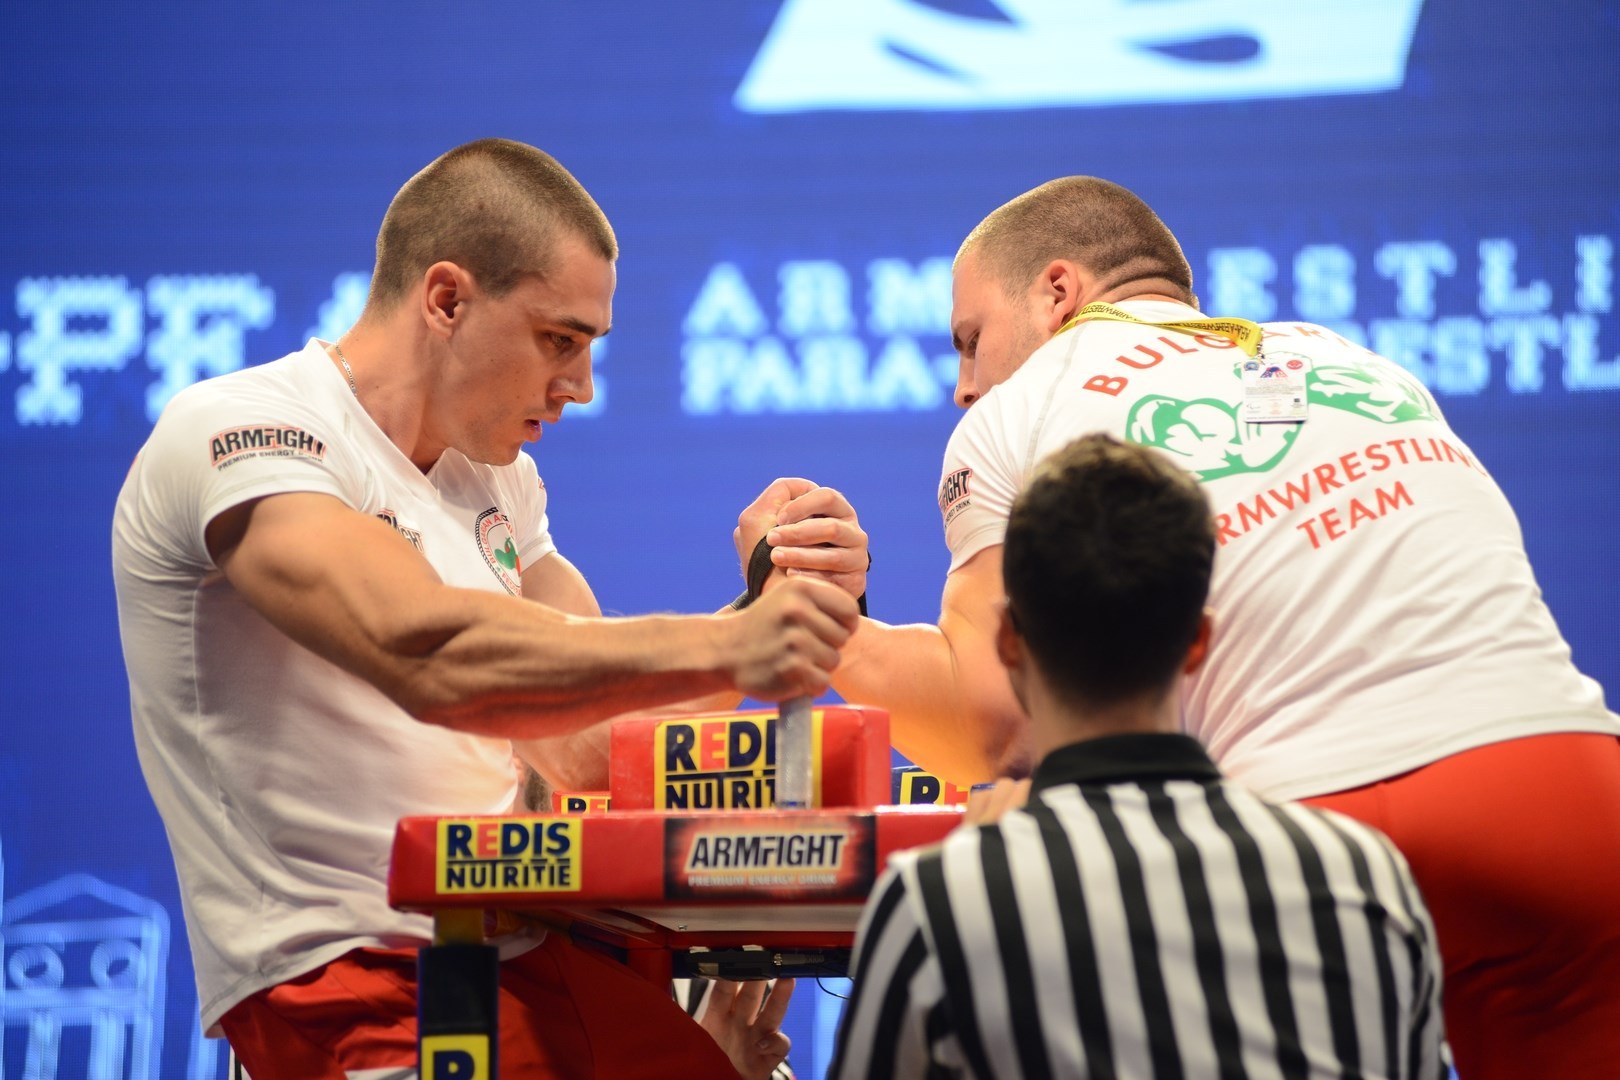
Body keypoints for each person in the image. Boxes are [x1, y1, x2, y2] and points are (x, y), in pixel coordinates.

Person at [745, 177, 1620, 1077]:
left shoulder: (1029, 401)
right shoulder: (1351, 359)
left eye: (972, 341)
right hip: (1572, 795)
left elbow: (992, 725)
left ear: (1058, 292)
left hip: (1319, 842)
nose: (966, 387)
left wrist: (819, 622)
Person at [112, 138, 866, 1079]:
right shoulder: (241, 430)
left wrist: (771, 600)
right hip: (351, 981)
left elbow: (589, 740)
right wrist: (736, 643)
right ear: (446, 299)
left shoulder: (501, 483)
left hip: (535, 947)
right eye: (561, 339)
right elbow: (428, 655)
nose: (581, 386)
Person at [828, 433, 1447, 1078]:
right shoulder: (1367, 877)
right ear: (1199, 641)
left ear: (1008, 641)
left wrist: (975, 872)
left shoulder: (940, 900)